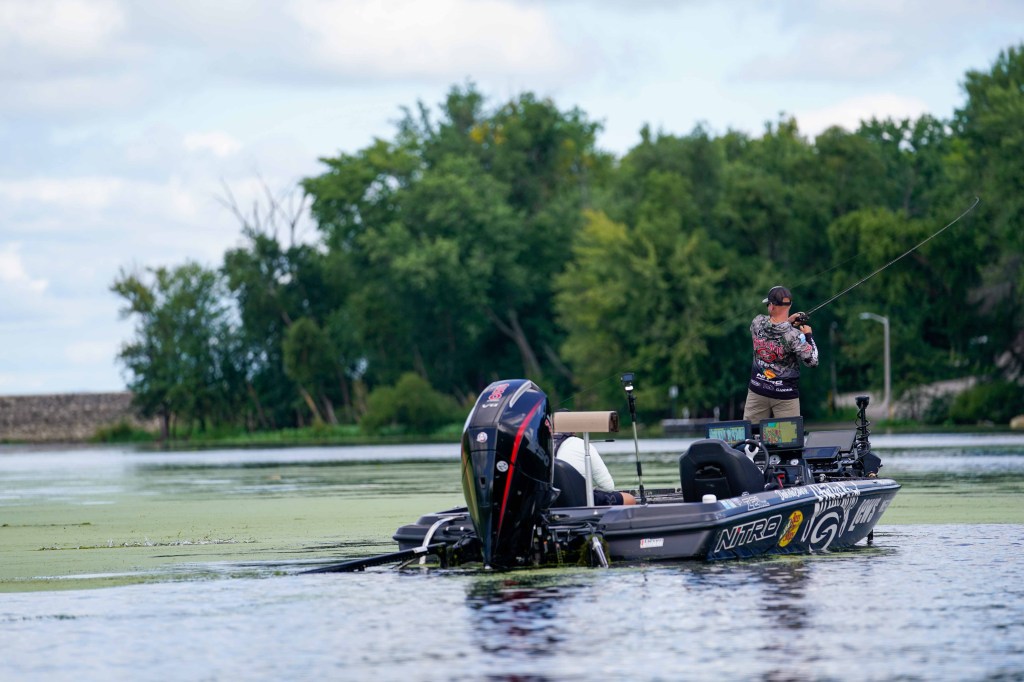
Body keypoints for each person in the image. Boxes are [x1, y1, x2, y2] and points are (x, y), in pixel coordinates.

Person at [743, 285, 819, 421]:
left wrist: (788, 322)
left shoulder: (757, 322)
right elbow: (813, 361)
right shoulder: (795, 336)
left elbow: (773, 328)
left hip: (757, 391)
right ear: (790, 305)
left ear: (772, 306)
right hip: (785, 395)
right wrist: (808, 336)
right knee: (788, 435)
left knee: (751, 433)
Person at [553, 431, 636, 505]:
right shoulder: (583, 445)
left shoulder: (545, 445)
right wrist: (592, 490)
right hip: (580, 502)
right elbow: (608, 487)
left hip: (550, 501)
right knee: (629, 498)